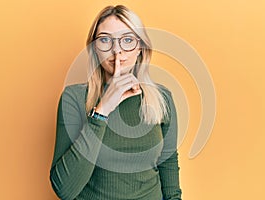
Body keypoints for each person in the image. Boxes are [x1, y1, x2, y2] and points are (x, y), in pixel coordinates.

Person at [49, 5, 182, 200]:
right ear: (94, 49)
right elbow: (64, 190)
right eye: (105, 40)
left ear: (140, 48)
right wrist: (102, 111)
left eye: (127, 40)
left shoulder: (162, 98)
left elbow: (168, 164)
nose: (117, 50)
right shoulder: (74, 98)